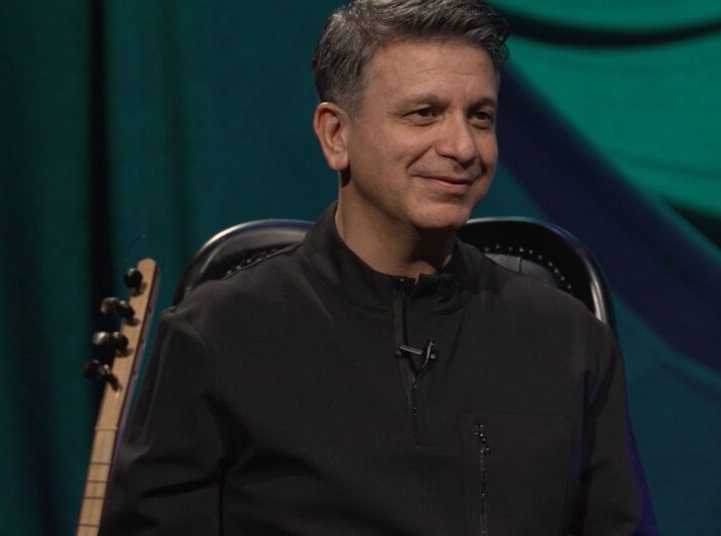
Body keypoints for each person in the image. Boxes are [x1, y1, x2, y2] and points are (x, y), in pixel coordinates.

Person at [99, 1, 656, 534]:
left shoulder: (569, 341)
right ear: (335, 135)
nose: (463, 146)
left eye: (480, 117)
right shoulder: (217, 335)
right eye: (424, 113)